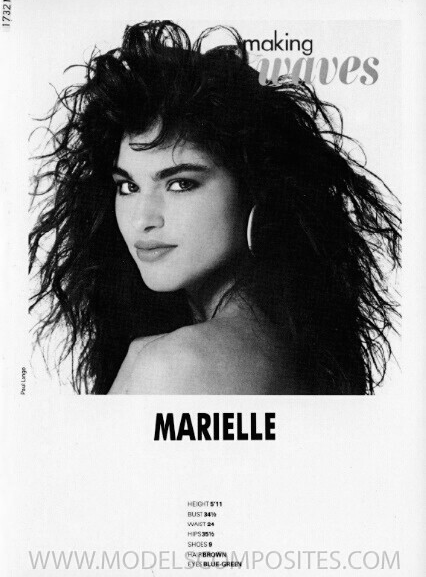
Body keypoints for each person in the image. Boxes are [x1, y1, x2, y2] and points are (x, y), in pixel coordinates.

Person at [29, 20, 401, 395]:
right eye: (128, 186)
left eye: (181, 184)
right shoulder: (286, 339)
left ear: (254, 191)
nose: (142, 219)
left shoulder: (177, 365)